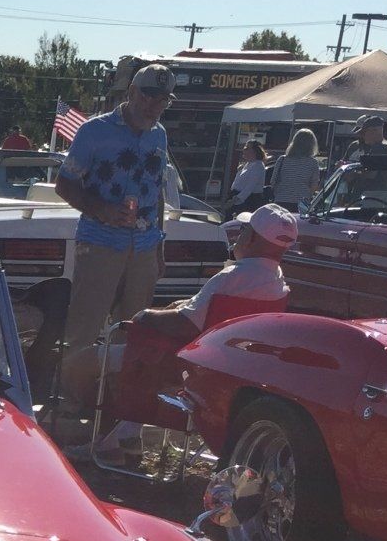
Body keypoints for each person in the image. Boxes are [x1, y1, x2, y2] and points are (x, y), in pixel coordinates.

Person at [72, 204, 297, 454]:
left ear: (253, 237)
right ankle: (125, 435)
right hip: (226, 366)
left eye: (244, 230)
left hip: (178, 362)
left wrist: (145, 315)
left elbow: (185, 324)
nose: (238, 235)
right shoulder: (277, 283)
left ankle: (104, 435)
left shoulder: (231, 277)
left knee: (80, 363)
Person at [54, 60, 175, 352]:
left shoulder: (159, 134)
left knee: (133, 331)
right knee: (84, 328)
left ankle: (114, 392)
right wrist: (102, 209)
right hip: (100, 243)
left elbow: (156, 192)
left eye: (163, 100)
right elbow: (64, 183)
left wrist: (159, 249)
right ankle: (73, 393)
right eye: (148, 96)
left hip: (145, 246)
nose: (154, 105)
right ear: (131, 92)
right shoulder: (94, 131)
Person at [270, 128, 323, 210]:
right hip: (302, 201)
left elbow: (273, 181)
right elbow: (314, 185)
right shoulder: (313, 162)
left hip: (281, 199)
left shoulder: (282, 159)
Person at [229, 141, 269, 214]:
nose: (244, 150)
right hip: (238, 197)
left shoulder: (258, 165)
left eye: (247, 148)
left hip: (250, 200)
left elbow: (250, 186)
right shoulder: (248, 164)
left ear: (255, 151)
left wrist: (237, 199)